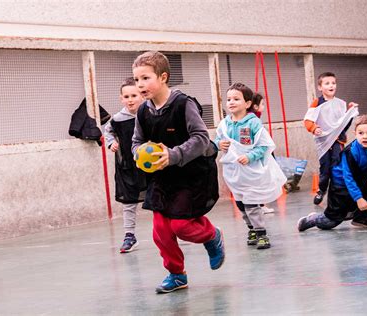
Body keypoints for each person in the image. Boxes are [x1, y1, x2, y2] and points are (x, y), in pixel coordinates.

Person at [131, 51, 223, 294]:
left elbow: (202, 138)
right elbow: (136, 141)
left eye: (145, 78)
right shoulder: (143, 112)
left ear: (163, 77)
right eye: (136, 79)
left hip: (190, 176)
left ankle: (212, 236)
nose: (140, 84)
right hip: (161, 178)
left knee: (182, 227)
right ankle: (176, 275)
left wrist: (173, 155)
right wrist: (137, 153)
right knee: (161, 232)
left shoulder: (184, 104)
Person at [214, 83, 286, 250]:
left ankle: (261, 233)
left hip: (251, 171)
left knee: (251, 202)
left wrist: (249, 156)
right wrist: (220, 144)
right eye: (229, 99)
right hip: (234, 172)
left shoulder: (253, 123)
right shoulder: (224, 124)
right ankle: (251, 228)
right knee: (240, 202)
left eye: (236, 99)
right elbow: (217, 140)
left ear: (247, 103)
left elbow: (263, 146)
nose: (231, 102)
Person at [298, 115, 367, 232]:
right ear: (355, 133)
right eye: (361, 133)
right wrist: (359, 198)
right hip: (341, 186)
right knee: (330, 222)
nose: (365, 136)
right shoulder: (350, 152)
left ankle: (362, 219)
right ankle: (312, 219)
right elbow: (348, 177)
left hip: (359, 181)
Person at [104, 77, 147, 253]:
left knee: (160, 199)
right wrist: (111, 143)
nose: (130, 99)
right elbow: (108, 132)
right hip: (127, 168)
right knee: (128, 203)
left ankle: (172, 230)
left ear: (142, 96)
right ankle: (130, 236)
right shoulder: (117, 119)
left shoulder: (149, 114)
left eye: (134, 95)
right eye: (126, 96)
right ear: (121, 98)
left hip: (150, 167)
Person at [304, 72, 358, 205]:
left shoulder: (340, 103)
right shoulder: (317, 103)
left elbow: (343, 124)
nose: (331, 85)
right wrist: (314, 128)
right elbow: (308, 120)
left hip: (337, 141)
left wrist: (350, 112)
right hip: (323, 141)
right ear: (320, 87)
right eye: (327, 83)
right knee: (325, 168)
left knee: (336, 167)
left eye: (333, 83)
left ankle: (335, 194)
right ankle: (321, 190)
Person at [250, 92, 275, 214]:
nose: (264, 107)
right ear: (255, 106)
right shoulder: (254, 120)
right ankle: (260, 205)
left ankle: (260, 205)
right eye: (262, 104)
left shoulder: (255, 118)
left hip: (257, 154)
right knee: (259, 181)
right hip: (256, 155)